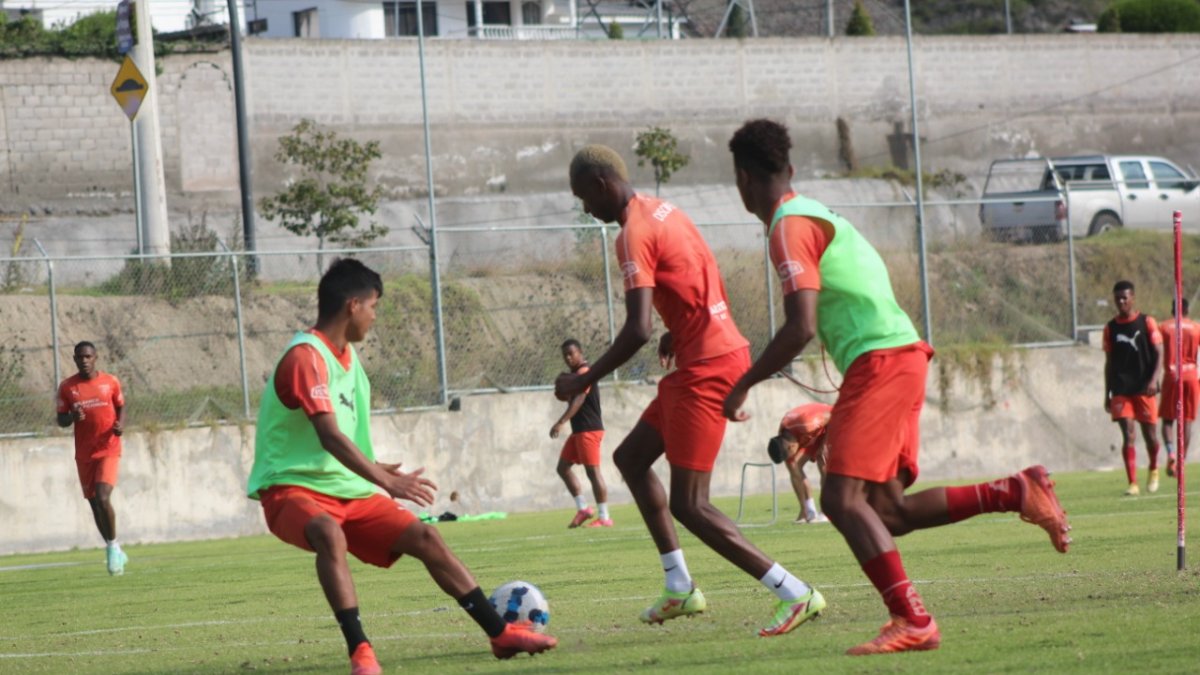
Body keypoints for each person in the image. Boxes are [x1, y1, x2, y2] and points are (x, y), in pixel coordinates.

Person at [722, 118, 1071, 655]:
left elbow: (801, 326)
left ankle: (912, 619)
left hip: (880, 360)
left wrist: (743, 383)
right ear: (789, 169)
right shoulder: (812, 210)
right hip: (899, 355)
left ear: (743, 180)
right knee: (888, 512)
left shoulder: (787, 226)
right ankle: (1015, 491)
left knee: (839, 498)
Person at [555, 144, 825, 638]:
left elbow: (635, 329)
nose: (584, 209)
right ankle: (679, 586)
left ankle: (795, 592)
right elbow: (700, 274)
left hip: (707, 368)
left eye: (582, 198)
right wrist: (679, 327)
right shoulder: (665, 211)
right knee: (631, 458)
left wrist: (583, 379)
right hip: (704, 356)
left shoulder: (632, 234)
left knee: (691, 504)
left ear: (600, 185)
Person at [246, 259, 556, 675]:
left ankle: (500, 634)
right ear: (353, 305)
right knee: (327, 532)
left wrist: (374, 466)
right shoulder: (306, 357)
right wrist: (386, 481)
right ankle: (361, 652)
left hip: (347, 491)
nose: (375, 317)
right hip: (289, 491)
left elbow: (336, 436)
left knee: (426, 536)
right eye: (374, 307)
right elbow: (328, 437)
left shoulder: (348, 359)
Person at [56, 341, 128, 576]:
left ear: (96, 357)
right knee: (94, 503)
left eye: (88, 356)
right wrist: (72, 417)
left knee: (103, 496)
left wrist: (120, 425)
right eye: (80, 357)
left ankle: (113, 546)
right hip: (84, 454)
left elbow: (121, 407)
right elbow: (61, 420)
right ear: (75, 359)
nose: (84, 360)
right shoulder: (68, 387)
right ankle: (112, 546)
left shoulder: (110, 382)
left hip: (108, 448)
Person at [1103, 280, 1163, 495]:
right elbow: (1109, 362)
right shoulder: (1110, 328)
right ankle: (1133, 483)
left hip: (1144, 388)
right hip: (1121, 388)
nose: (1121, 302)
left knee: (1151, 436)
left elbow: (1159, 353)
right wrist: (1107, 393)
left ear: (1133, 298)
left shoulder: (1147, 322)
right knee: (1128, 434)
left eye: (1125, 298)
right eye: (1118, 298)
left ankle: (1154, 468)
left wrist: (1153, 380)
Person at [550, 338, 613, 528]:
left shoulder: (585, 372)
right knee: (562, 468)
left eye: (571, 353)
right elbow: (573, 398)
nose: (568, 358)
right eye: (565, 355)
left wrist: (561, 422)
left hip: (589, 430)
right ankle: (584, 509)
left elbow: (579, 400)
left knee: (593, 472)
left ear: (580, 352)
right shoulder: (575, 375)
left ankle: (604, 517)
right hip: (579, 430)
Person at [768, 403, 831, 524]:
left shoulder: (809, 424)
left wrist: (824, 444)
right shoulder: (783, 433)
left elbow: (834, 417)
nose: (789, 458)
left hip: (831, 424)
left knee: (823, 464)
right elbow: (792, 464)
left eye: (789, 454)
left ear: (791, 447)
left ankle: (826, 511)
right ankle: (807, 510)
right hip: (808, 434)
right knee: (793, 466)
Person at [1159, 297, 1197, 479]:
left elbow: (1155, 349)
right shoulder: (1196, 328)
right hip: (1191, 376)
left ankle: (1171, 452)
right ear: (1187, 310)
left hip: (1172, 375)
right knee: (1187, 420)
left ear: (1173, 310)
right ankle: (1182, 461)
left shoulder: (1164, 327)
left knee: (1167, 420)